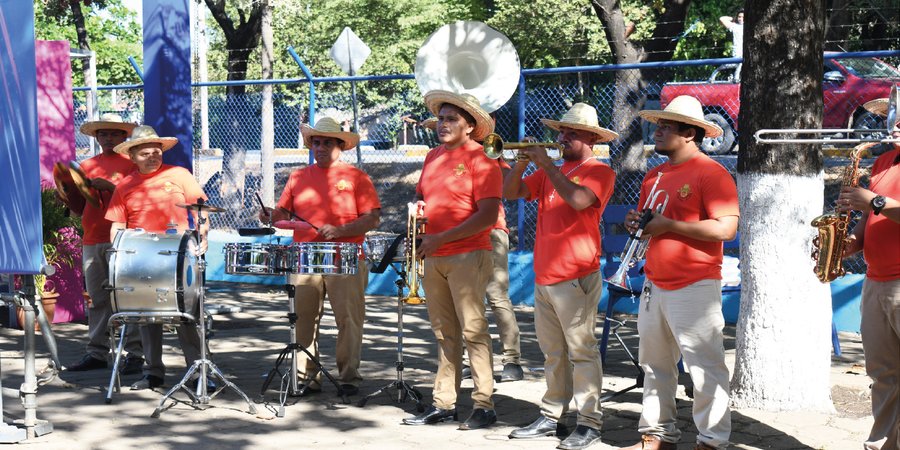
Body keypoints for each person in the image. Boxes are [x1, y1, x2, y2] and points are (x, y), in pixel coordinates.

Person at [618, 95, 739, 450]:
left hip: (696, 284)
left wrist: (668, 225)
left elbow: (725, 229)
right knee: (654, 367)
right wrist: (635, 224)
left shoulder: (711, 172)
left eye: (667, 126)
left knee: (705, 369)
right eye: (659, 124)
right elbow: (649, 225)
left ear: (690, 133)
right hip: (654, 281)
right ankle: (658, 435)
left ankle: (713, 441)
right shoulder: (654, 175)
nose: (658, 130)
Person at [504, 103, 618, 450]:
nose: (562, 137)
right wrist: (523, 160)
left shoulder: (598, 171)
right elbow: (510, 193)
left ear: (592, 139)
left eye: (571, 133)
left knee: (581, 352)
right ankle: (553, 414)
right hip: (545, 276)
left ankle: (589, 422)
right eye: (561, 132)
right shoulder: (552, 170)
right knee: (553, 353)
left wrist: (547, 164)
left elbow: (580, 200)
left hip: (576, 275)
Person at [259, 116, 381, 397]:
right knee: (303, 317)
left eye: (327, 142)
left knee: (348, 318)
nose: (321, 147)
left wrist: (341, 230)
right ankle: (305, 376)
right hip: (305, 256)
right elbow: (283, 215)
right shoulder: (298, 177)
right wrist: (270, 216)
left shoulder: (356, 177)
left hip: (346, 255)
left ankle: (349, 376)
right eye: (316, 142)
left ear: (341, 146)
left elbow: (373, 218)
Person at [401, 90, 501, 431]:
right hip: (434, 254)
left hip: (468, 253)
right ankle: (444, 403)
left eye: (451, 119)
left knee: (473, 330)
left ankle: (484, 404)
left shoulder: (482, 158)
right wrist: (417, 225)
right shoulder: (432, 156)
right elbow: (422, 197)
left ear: (470, 127)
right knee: (444, 333)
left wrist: (441, 238)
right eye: (441, 118)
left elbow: (487, 216)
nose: (443, 125)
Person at [105, 125, 209, 391]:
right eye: (145, 153)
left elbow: (201, 209)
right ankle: (152, 372)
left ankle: (199, 370)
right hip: (141, 257)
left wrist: (203, 235)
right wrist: (115, 258)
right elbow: (117, 226)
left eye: (156, 151)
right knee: (146, 316)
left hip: (180, 255)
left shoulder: (179, 174)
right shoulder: (125, 186)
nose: (153, 156)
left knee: (187, 315)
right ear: (132, 156)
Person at [429, 115, 524, 383]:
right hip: (453, 239)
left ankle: (512, 359)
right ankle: (469, 362)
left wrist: (498, 160)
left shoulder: (485, 153)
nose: (442, 126)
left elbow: (508, 187)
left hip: (490, 231)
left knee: (496, 295)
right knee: (462, 306)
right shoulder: (437, 157)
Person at [838, 97, 900, 450]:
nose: (894, 126)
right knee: (883, 376)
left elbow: (876, 207)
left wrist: (874, 201)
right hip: (876, 282)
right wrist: (849, 244)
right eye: (893, 119)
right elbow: (869, 218)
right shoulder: (883, 161)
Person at [65, 113, 144, 375]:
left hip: (123, 238)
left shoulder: (134, 164)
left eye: (114, 133)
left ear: (125, 137)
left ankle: (134, 354)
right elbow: (78, 207)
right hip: (91, 237)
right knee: (98, 300)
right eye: (103, 134)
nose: (108, 138)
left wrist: (110, 187)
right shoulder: (85, 164)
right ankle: (97, 353)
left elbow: (138, 202)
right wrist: (64, 196)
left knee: (128, 297)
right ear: (96, 137)